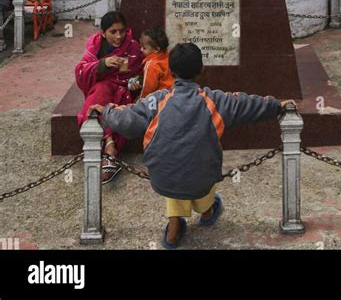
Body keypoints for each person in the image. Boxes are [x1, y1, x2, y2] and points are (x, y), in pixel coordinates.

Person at [87, 42, 294, 248]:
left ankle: (173, 228)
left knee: (173, 162)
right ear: (201, 70)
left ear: (170, 71)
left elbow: (128, 120)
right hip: (201, 179)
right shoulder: (217, 101)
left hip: (162, 179)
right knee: (199, 170)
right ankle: (207, 211)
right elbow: (249, 105)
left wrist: (105, 112)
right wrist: (277, 106)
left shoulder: (156, 101)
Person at [75, 11, 143, 183]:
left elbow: (141, 72)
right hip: (102, 86)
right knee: (100, 93)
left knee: (121, 103)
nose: (119, 36)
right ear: (103, 33)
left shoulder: (133, 47)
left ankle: (109, 149)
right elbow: (81, 72)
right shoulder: (95, 45)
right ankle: (109, 144)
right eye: (113, 32)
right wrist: (103, 64)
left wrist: (135, 82)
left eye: (122, 31)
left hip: (123, 88)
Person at [128, 26, 174, 99]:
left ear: (156, 49)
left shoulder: (151, 64)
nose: (141, 50)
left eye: (144, 48)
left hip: (161, 98)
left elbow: (148, 88)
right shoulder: (168, 56)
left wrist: (140, 100)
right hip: (173, 94)